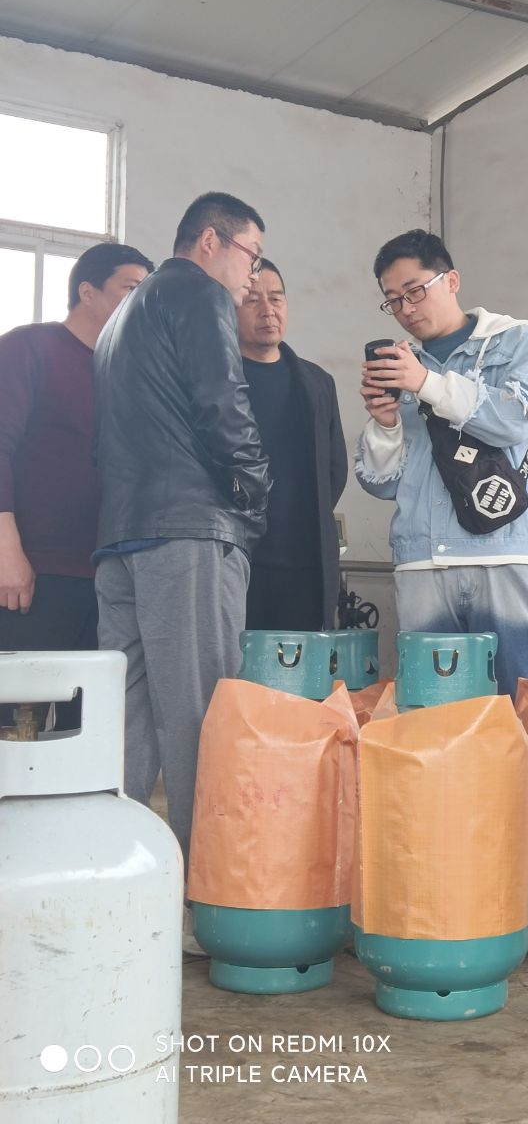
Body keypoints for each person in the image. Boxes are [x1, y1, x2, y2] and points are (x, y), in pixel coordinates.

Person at [93, 192, 270, 872]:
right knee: (202, 712)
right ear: (210, 241)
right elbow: (222, 401)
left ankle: (120, 871)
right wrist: (254, 494)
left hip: (120, 538)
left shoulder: (119, 320)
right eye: (251, 255)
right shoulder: (200, 294)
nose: (253, 275)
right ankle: (209, 883)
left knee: (127, 718)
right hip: (188, 532)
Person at [355, 228, 528, 698]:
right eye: (393, 300)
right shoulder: (402, 362)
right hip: (420, 561)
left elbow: (515, 420)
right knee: (432, 714)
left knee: (521, 703)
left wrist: (426, 383)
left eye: (415, 291)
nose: (406, 308)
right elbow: (383, 484)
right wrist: (384, 425)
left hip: (500, 554)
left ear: (452, 281)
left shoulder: (510, 341)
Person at [0, 243, 152, 731]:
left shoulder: (126, 372)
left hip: (106, 576)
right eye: (131, 289)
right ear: (87, 291)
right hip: (33, 572)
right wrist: (7, 550)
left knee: (83, 727)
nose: (140, 303)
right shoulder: (28, 347)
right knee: (14, 719)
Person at [236, 258, 347, 630]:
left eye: (277, 298)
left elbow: (334, 469)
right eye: (252, 300)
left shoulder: (316, 381)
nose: (267, 310)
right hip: (238, 560)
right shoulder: (217, 378)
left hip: (305, 564)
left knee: (306, 667)